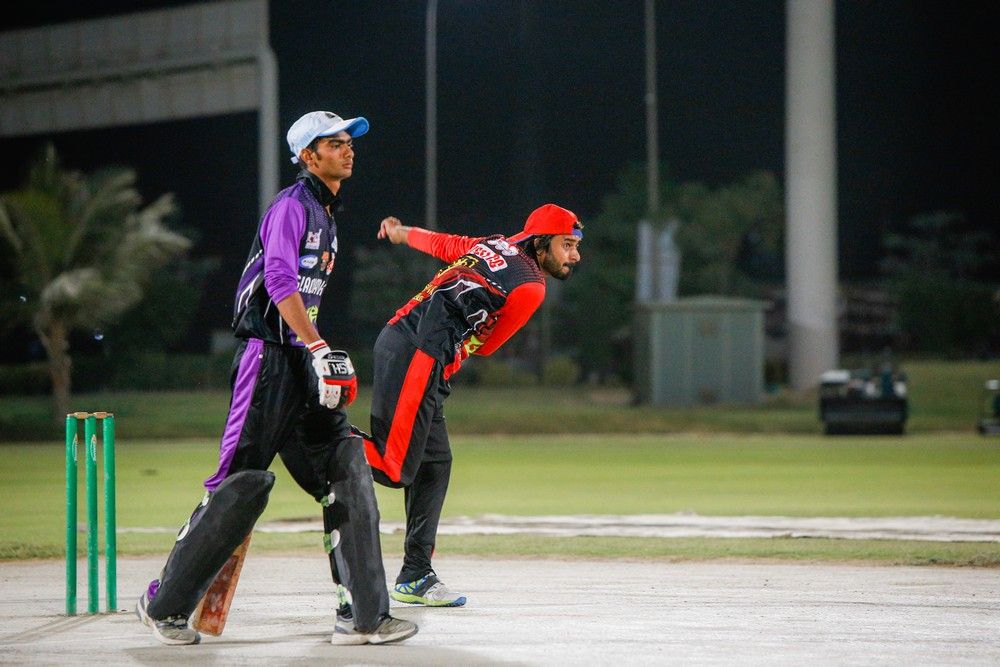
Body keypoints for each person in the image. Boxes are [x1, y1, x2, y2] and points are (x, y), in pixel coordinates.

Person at [134, 110, 417, 646]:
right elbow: (280, 279)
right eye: (335, 144)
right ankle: (163, 604)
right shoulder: (291, 206)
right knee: (240, 484)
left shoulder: (327, 215)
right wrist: (317, 345)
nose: (348, 150)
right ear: (308, 156)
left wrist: (315, 351)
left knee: (347, 465)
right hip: (266, 360)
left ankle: (364, 616)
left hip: (303, 361)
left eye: (349, 142)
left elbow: (304, 297)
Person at [354, 204, 583, 606]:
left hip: (408, 344)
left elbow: (446, 245)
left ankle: (415, 575)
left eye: (576, 246)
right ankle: (309, 430)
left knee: (434, 464)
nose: (575, 255)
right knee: (393, 467)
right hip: (419, 353)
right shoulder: (531, 286)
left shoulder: (494, 244)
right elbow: (489, 346)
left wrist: (402, 232)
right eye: (567, 245)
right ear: (541, 243)